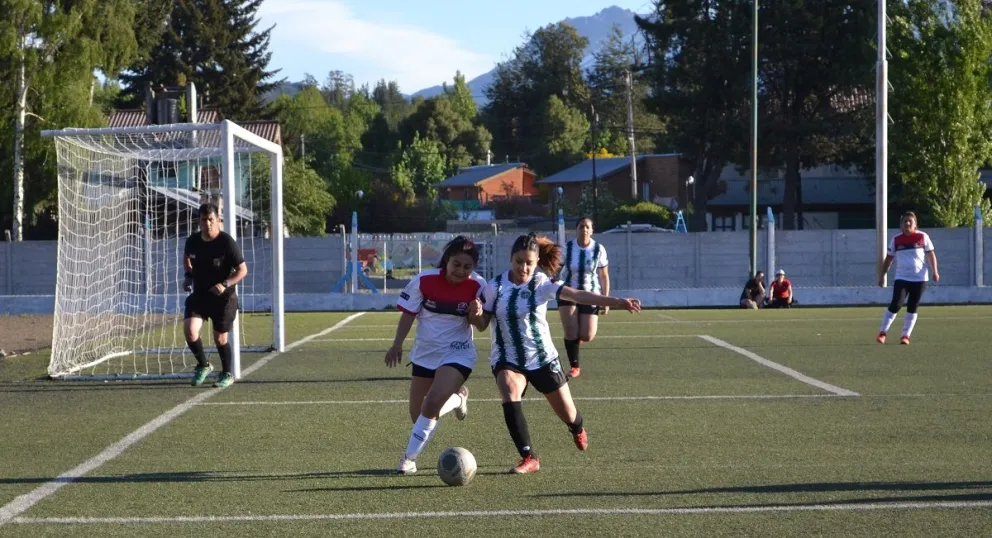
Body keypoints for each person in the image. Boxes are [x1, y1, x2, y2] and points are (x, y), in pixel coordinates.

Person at [468, 233, 641, 474]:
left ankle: (577, 427)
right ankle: (529, 457)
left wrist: (616, 301)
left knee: (569, 414)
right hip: (507, 358)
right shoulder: (494, 287)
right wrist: (475, 314)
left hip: (542, 359)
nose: (523, 267)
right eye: (519, 262)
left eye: (529, 263)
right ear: (511, 258)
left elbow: (577, 295)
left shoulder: (542, 283)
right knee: (508, 388)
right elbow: (482, 324)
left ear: (537, 261)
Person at [386, 236, 486, 475]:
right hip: (425, 354)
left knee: (431, 404)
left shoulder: (479, 286)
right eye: (456, 264)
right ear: (446, 260)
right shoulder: (424, 280)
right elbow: (408, 314)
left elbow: (482, 325)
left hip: (458, 353)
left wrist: (476, 314)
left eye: (467, 267)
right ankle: (459, 398)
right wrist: (397, 344)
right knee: (418, 415)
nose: (460, 271)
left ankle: (409, 459)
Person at [183, 203, 248, 389]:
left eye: (211, 220)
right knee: (190, 330)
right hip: (200, 295)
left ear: (218, 220)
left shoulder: (226, 242)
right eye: (204, 220)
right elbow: (187, 258)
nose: (208, 224)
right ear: (199, 221)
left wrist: (225, 284)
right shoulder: (193, 241)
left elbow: (242, 270)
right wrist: (188, 276)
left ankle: (227, 373)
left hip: (224, 298)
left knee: (220, 338)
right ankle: (203, 365)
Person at [557, 217, 610, 378]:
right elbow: (556, 269)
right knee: (570, 331)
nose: (584, 230)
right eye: (581, 226)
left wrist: (605, 299)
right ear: (576, 229)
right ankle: (575, 366)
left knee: (587, 335)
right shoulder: (568, 248)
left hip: (590, 294)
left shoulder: (599, 249)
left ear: (592, 230)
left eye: (587, 227)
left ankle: (577, 340)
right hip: (569, 293)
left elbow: (604, 275)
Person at [876, 211, 939, 345]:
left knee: (912, 306)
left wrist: (935, 271)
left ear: (915, 224)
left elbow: (931, 255)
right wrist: (882, 275)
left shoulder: (923, 237)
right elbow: (888, 259)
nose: (908, 223)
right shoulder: (896, 240)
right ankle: (882, 333)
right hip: (902, 278)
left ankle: (905, 336)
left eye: (910, 221)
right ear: (901, 224)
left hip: (920, 279)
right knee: (896, 304)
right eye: (905, 221)